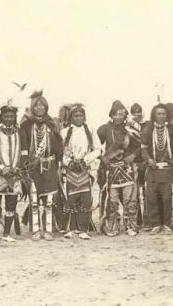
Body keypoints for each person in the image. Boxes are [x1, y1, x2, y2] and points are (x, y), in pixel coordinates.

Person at [20, 91, 63, 241]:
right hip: (33, 166)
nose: (39, 108)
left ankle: (49, 229)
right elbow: (23, 146)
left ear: (46, 107)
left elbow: (59, 147)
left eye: (42, 105)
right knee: (34, 199)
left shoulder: (52, 124)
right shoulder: (26, 125)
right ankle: (36, 229)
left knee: (49, 200)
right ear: (32, 107)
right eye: (36, 105)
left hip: (50, 165)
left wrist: (59, 166)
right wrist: (26, 164)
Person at [97, 100, 140, 237]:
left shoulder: (130, 129)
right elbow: (95, 144)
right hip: (112, 169)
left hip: (127, 168)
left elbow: (140, 147)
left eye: (121, 114)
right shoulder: (104, 129)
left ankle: (130, 226)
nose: (119, 117)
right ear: (111, 115)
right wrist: (102, 157)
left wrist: (133, 156)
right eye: (116, 114)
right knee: (112, 199)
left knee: (129, 199)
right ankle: (112, 226)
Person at [60, 103, 102, 240]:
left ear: (84, 117)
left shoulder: (90, 130)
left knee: (85, 199)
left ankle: (83, 229)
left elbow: (98, 149)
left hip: (85, 169)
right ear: (71, 117)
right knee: (71, 199)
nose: (78, 118)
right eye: (75, 116)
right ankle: (71, 229)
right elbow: (61, 152)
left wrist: (85, 160)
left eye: (81, 116)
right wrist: (69, 162)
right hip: (71, 170)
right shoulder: (65, 132)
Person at [0, 105, 26, 245]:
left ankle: (7, 233)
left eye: (12, 116)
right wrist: (2, 168)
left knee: (11, 203)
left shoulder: (20, 132)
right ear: (1, 117)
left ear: (15, 117)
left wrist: (18, 168)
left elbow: (25, 153)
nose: (9, 119)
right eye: (6, 116)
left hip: (14, 173)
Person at [140, 103, 173, 234]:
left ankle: (167, 224)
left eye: (163, 114)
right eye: (159, 114)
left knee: (167, 198)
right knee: (151, 198)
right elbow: (143, 149)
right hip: (153, 170)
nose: (161, 116)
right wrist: (149, 160)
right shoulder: (148, 130)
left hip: (166, 170)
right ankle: (155, 224)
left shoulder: (171, 130)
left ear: (167, 116)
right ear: (154, 115)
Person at [128, 103, 150, 229]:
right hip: (134, 162)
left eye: (139, 111)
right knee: (134, 193)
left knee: (147, 192)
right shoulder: (129, 127)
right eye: (134, 112)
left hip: (146, 162)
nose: (137, 114)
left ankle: (148, 219)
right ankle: (137, 219)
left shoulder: (148, 125)